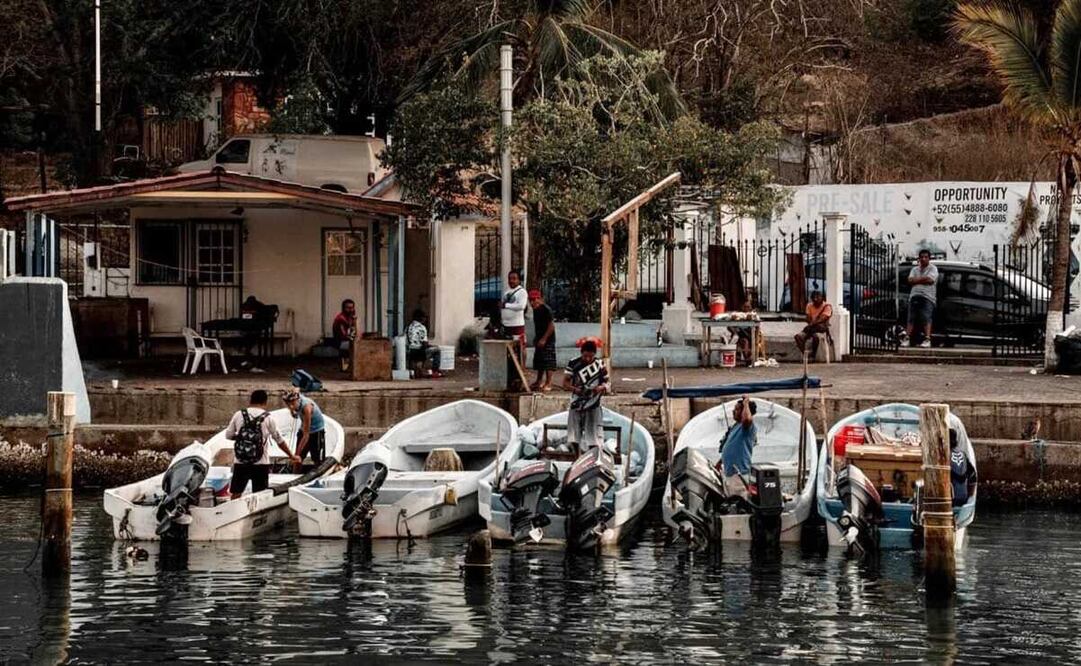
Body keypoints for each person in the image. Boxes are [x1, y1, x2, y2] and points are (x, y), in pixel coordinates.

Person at [224, 390, 298, 499]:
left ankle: (234, 508)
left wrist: (242, 438)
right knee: (259, 495)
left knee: (236, 492)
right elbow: (279, 440)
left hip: (241, 461)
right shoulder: (268, 418)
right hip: (261, 462)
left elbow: (228, 435)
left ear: (250, 400)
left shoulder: (239, 414)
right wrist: (291, 455)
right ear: (265, 402)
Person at [562, 340, 610, 453]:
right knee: (574, 435)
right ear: (581, 353)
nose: (588, 359)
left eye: (590, 357)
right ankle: (575, 456)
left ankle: (593, 456)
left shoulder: (600, 364)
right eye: (585, 356)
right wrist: (576, 390)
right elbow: (565, 383)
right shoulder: (573, 363)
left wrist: (600, 388)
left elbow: (607, 382)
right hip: (576, 403)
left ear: (594, 354)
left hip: (594, 404)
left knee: (593, 436)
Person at [718, 396, 757, 499]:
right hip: (729, 473)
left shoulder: (748, 427)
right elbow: (731, 446)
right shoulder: (735, 427)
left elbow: (747, 419)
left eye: (737, 409)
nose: (733, 411)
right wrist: (720, 462)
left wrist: (746, 403)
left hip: (739, 475)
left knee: (740, 502)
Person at [282, 389, 327, 470]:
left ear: (297, 400)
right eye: (288, 404)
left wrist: (296, 454)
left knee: (316, 458)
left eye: (292, 403)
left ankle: (318, 472)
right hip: (304, 427)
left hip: (316, 431)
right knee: (298, 459)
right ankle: (295, 473)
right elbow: (296, 389)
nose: (291, 406)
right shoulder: (296, 398)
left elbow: (306, 436)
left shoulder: (307, 408)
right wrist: (292, 411)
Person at [907, 249, 938, 348]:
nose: (923, 259)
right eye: (922, 257)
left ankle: (927, 339)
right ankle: (907, 338)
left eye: (926, 257)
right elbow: (910, 280)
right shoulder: (914, 269)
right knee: (911, 318)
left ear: (929, 258)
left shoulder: (933, 268)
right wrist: (923, 279)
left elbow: (930, 280)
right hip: (914, 295)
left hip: (927, 297)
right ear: (919, 258)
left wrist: (916, 280)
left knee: (926, 317)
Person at [529, 289, 557, 391]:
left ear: (539, 299)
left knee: (548, 361)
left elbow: (551, 326)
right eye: (531, 300)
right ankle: (539, 380)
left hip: (548, 339)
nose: (532, 302)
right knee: (539, 360)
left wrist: (544, 339)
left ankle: (549, 382)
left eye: (534, 300)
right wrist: (537, 338)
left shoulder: (546, 309)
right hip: (539, 337)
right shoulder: (536, 310)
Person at [794, 291, 833, 359]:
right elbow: (808, 318)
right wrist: (811, 323)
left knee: (815, 336)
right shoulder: (809, 305)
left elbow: (822, 319)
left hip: (821, 328)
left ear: (822, 298)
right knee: (798, 337)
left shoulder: (827, 306)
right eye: (814, 298)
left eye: (818, 298)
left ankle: (813, 355)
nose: (816, 299)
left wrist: (812, 323)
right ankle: (806, 354)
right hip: (811, 328)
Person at [405, 308, 442, 378]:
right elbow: (424, 344)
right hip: (418, 352)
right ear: (420, 318)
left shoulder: (408, 327)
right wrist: (429, 347)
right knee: (437, 350)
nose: (425, 319)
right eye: (424, 317)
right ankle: (435, 371)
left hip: (409, 351)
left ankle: (415, 369)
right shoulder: (422, 328)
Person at [949, 429, 978, 507]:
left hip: (949, 500)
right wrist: (970, 496)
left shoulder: (944, 456)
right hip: (964, 498)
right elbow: (973, 476)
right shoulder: (963, 455)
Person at [332, 299, 358, 372]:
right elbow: (343, 335)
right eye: (348, 308)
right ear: (343, 308)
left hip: (346, 340)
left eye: (352, 308)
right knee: (357, 345)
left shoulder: (350, 318)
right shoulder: (341, 319)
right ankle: (346, 365)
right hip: (341, 342)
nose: (350, 310)